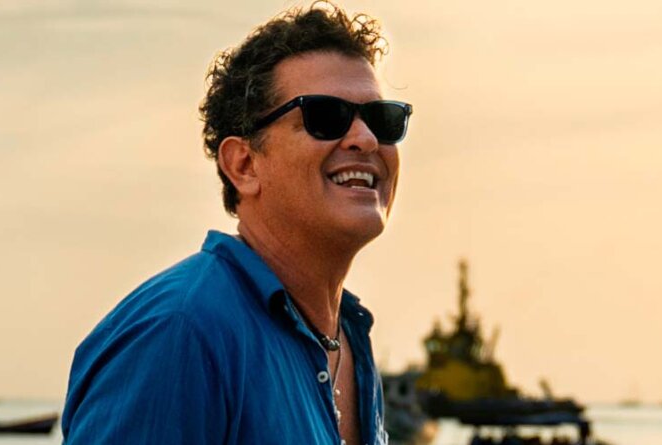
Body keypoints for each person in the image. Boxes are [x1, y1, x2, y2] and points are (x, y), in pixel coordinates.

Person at [61, 3, 412, 444]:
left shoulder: (349, 338)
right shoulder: (178, 332)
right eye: (326, 117)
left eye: (383, 120)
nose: (366, 139)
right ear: (244, 165)